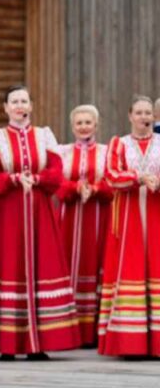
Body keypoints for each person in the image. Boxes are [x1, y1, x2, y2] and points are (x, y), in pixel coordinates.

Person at [0, 85, 80, 359]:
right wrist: (10, 179)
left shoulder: (44, 135)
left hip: (39, 211)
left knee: (40, 266)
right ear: (5, 108)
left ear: (31, 106)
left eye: (24, 101)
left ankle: (39, 344)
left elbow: (57, 173)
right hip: (7, 213)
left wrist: (35, 179)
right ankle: (7, 345)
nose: (19, 106)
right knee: (8, 266)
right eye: (14, 102)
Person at [98, 95, 160, 357]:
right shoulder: (119, 144)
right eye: (139, 113)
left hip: (157, 213)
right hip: (128, 216)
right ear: (129, 116)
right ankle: (130, 341)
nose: (144, 118)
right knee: (131, 267)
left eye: (148, 113)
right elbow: (111, 174)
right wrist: (137, 177)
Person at [55, 104, 111, 348]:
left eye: (88, 122)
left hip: (99, 215)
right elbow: (56, 182)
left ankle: (96, 329)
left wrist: (96, 189)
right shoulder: (62, 152)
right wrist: (76, 188)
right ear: (72, 126)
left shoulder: (107, 152)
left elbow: (113, 181)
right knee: (68, 263)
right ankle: (70, 328)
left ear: (96, 125)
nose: (84, 127)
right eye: (79, 123)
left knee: (97, 261)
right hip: (69, 216)